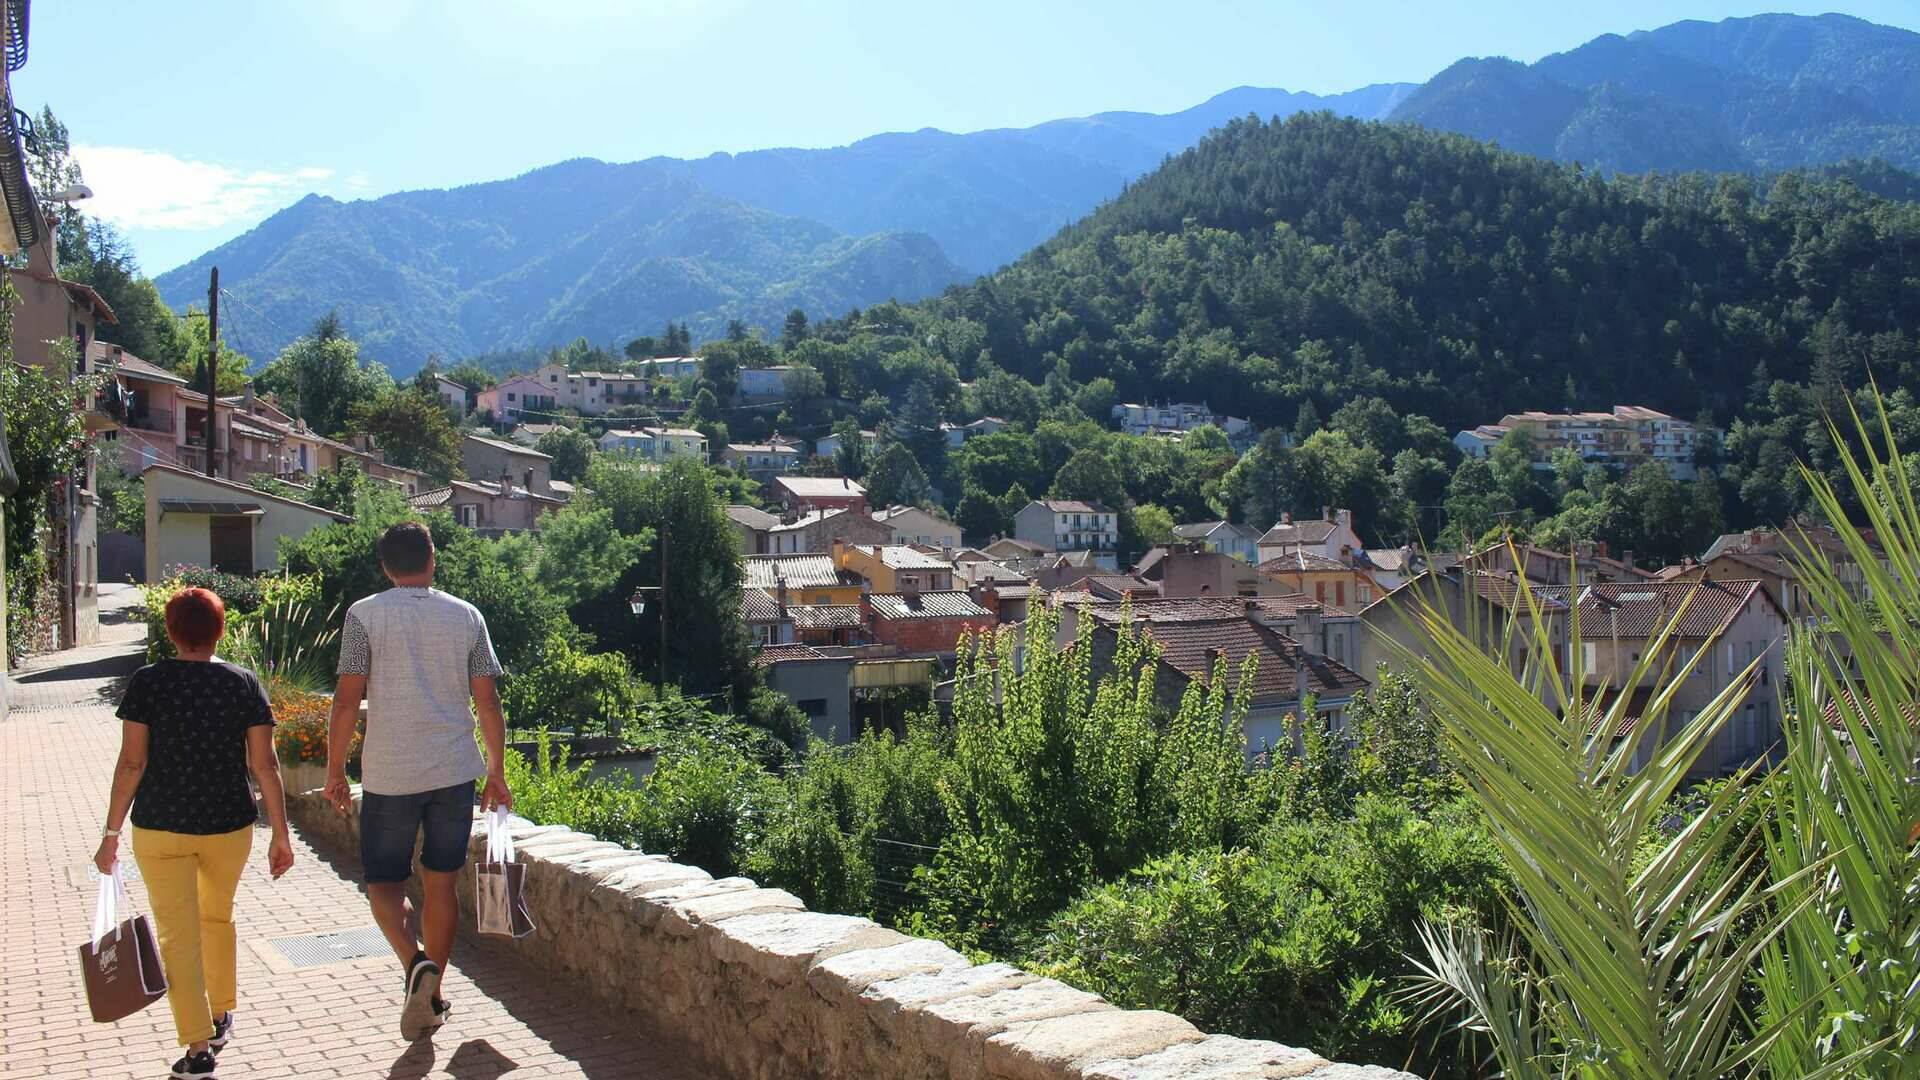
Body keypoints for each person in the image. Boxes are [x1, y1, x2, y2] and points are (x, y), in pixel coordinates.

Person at [94, 587, 295, 1080]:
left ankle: (198, 1046)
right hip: (229, 826)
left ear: (171, 632)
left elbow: (132, 762)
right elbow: (265, 765)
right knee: (216, 918)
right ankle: (222, 1011)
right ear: (219, 630)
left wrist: (111, 831)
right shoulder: (244, 684)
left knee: (177, 938)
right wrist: (281, 834)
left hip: (160, 827)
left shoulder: (148, 683)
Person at [325, 521, 512, 1041]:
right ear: (432, 558)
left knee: (383, 883)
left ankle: (415, 964)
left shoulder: (363, 616)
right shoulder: (466, 616)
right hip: (453, 771)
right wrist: (495, 773)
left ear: (386, 566)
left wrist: (336, 769)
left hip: (389, 773)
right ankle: (430, 992)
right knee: (441, 883)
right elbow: (488, 700)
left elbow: (346, 700)